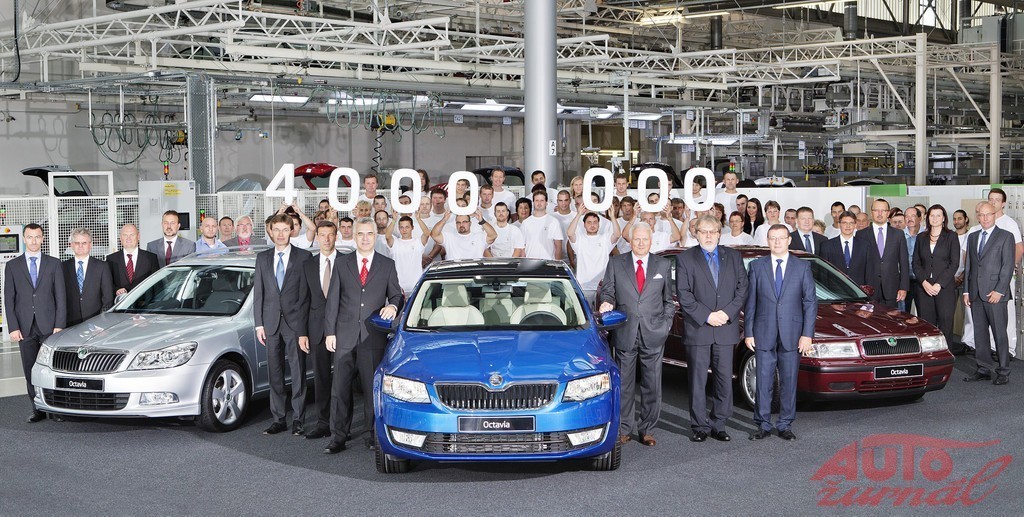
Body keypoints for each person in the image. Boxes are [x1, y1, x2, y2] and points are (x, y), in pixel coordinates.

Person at [323, 218, 403, 453]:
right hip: (344, 336)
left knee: (371, 389)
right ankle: (338, 436)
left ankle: (371, 434)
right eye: (360, 234)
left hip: (372, 337)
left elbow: (396, 295)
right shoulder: (342, 263)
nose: (365, 238)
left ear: (375, 236)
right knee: (340, 389)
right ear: (354, 236)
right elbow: (333, 300)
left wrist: (393, 306)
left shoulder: (387, 264)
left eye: (369, 234)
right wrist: (330, 332)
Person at [598, 222, 675, 447]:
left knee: (652, 384)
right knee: (624, 383)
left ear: (651, 241)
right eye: (637, 239)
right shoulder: (616, 263)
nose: (641, 243)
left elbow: (668, 301)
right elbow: (608, 290)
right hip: (625, 330)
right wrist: (606, 302)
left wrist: (666, 325)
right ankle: (624, 428)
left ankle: (647, 429)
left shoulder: (662, 264)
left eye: (645, 239)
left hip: (654, 332)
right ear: (630, 241)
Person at [675, 215, 748, 443]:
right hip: (699, 328)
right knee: (698, 381)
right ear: (696, 234)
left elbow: (742, 289)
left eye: (712, 231)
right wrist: (707, 316)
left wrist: (726, 314)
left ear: (719, 234)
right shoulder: (685, 258)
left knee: (724, 379)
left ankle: (719, 424)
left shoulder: (734, 257)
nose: (708, 235)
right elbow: (684, 294)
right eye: (703, 231)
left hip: (726, 327)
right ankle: (699, 426)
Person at [744, 224, 816, 441]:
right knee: (763, 382)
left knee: (789, 381)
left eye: (781, 238)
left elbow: (810, 302)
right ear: (767, 241)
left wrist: (807, 334)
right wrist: (749, 332)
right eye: (773, 238)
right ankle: (763, 425)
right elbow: (751, 302)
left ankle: (785, 424)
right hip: (763, 332)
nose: (777, 242)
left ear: (789, 240)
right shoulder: (756, 266)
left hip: (792, 334)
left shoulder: (802, 267)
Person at [253, 214, 311, 436]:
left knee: (298, 372)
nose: (280, 234)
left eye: (284, 230)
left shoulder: (303, 257)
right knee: (274, 372)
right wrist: (259, 324)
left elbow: (306, 296)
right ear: (270, 231)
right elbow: (259, 294)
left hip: (295, 324)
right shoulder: (262, 258)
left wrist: (303, 328)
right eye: (276, 229)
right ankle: (278, 419)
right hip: (270, 324)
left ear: (291, 231)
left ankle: (298, 419)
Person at [4, 223, 65, 423]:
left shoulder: (54, 264)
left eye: (37, 237)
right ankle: (37, 408)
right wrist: (13, 327)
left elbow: (60, 297)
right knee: (30, 370)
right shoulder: (12, 266)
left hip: (50, 326)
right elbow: (9, 299)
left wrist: (59, 324)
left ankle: (55, 409)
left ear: (43, 238)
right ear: (24, 239)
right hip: (24, 327)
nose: (33, 241)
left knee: (52, 369)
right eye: (29, 237)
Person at [962, 202, 1014, 386]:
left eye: (988, 214)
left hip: (995, 294)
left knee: (999, 334)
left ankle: (1003, 371)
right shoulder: (973, 236)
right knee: (980, 334)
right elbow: (969, 266)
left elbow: (1008, 266)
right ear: (977, 216)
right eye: (981, 215)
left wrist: (999, 290)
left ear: (995, 215)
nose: (984, 218)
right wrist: (966, 291)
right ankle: (983, 369)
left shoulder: (1006, 236)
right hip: (975, 294)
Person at [298, 221, 340, 441]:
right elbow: (302, 301)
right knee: (321, 379)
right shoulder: (308, 265)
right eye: (322, 235)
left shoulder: (346, 261)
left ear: (336, 236)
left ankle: (341, 424)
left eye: (330, 234)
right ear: (317, 238)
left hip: (342, 329)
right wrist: (302, 333)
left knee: (342, 380)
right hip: (315, 330)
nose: (326, 239)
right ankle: (323, 423)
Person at [912, 205, 960, 351]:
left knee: (945, 323)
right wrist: (924, 282)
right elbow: (916, 262)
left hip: (944, 287)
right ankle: (929, 355)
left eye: (938, 215)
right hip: (924, 287)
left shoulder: (951, 236)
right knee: (927, 324)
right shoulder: (921, 237)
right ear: (928, 218)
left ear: (944, 218)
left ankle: (946, 355)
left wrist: (939, 284)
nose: (935, 218)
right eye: (932, 215)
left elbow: (954, 263)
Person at [857, 198, 909, 308]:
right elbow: (859, 264)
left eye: (883, 210)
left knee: (891, 317)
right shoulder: (861, 234)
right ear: (871, 212)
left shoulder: (898, 234)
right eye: (876, 210)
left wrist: (903, 287)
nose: (880, 214)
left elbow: (904, 263)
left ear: (888, 213)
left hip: (892, 288)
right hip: (868, 288)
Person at [568, 207, 621, 306]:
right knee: (586, 314)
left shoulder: (605, 239)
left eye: (595, 222)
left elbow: (617, 235)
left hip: (602, 287)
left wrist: (613, 217)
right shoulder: (580, 239)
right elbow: (570, 233)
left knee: (603, 313)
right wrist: (579, 214)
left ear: (599, 224)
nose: (592, 225)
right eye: (589, 222)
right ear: (584, 225)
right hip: (584, 286)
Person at [62, 229, 114, 327]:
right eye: (77, 243)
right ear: (71, 245)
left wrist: (102, 320)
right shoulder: (63, 267)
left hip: (96, 321)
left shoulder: (102, 266)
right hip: (69, 322)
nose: (80, 246)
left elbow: (108, 297)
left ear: (91, 245)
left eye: (84, 243)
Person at [385, 212, 431, 294]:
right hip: (398, 287)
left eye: (407, 227)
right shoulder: (395, 243)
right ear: (399, 228)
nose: (404, 230)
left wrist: (418, 219)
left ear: (412, 228)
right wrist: (394, 220)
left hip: (416, 286)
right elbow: (387, 236)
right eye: (401, 227)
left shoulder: (418, 242)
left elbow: (427, 234)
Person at [107, 223, 159, 296]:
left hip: (145, 302)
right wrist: (116, 290)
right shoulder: (111, 259)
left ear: (138, 236)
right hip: (121, 301)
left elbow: (157, 284)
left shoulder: (151, 258)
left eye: (132, 235)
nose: (128, 238)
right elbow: (107, 283)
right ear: (120, 238)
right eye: (125, 235)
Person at [820, 211, 869, 285]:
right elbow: (823, 273)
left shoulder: (864, 245)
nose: (848, 226)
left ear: (855, 225)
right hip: (835, 289)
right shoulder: (827, 245)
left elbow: (868, 271)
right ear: (839, 224)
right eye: (844, 223)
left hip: (858, 289)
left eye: (851, 223)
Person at [431, 208, 496, 261]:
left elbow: (493, 235)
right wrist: (444, 219)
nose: (461, 225)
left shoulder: (479, 237)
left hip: (475, 270)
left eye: (465, 222)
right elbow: (434, 235)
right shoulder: (449, 237)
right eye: (458, 222)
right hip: (454, 270)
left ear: (470, 223)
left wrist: (481, 220)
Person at [520, 191, 563, 260]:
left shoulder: (554, 222)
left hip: (548, 263)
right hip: (529, 263)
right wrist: (524, 263)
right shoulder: (525, 223)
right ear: (533, 202)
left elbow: (558, 247)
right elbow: (522, 247)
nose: (539, 203)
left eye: (542, 200)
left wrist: (556, 264)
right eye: (537, 200)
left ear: (546, 202)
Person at [902, 207, 922, 312]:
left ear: (920, 218)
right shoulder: (899, 235)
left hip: (923, 282)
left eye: (913, 216)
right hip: (904, 281)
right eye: (907, 216)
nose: (909, 219)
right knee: (903, 314)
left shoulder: (927, 235)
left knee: (925, 313)